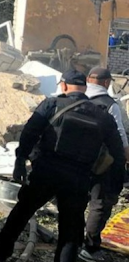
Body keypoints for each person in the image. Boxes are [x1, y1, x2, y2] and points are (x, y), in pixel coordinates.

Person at [0, 70, 125, 262]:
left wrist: (20, 161)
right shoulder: (103, 116)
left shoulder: (52, 104)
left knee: (21, 213)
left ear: (63, 85)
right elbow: (117, 153)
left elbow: (30, 133)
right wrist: (113, 182)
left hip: (46, 171)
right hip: (79, 178)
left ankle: (0, 253)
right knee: (70, 230)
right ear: (85, 88)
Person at [80, 67, 129, 262]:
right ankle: (90, 248)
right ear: (107, 83)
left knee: (74, 202)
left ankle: (71, 242)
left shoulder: (72, 99)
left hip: (71, 160)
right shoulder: (110, 105)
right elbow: (119, 136)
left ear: (88, 80)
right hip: (101, 163)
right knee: (99, 204)